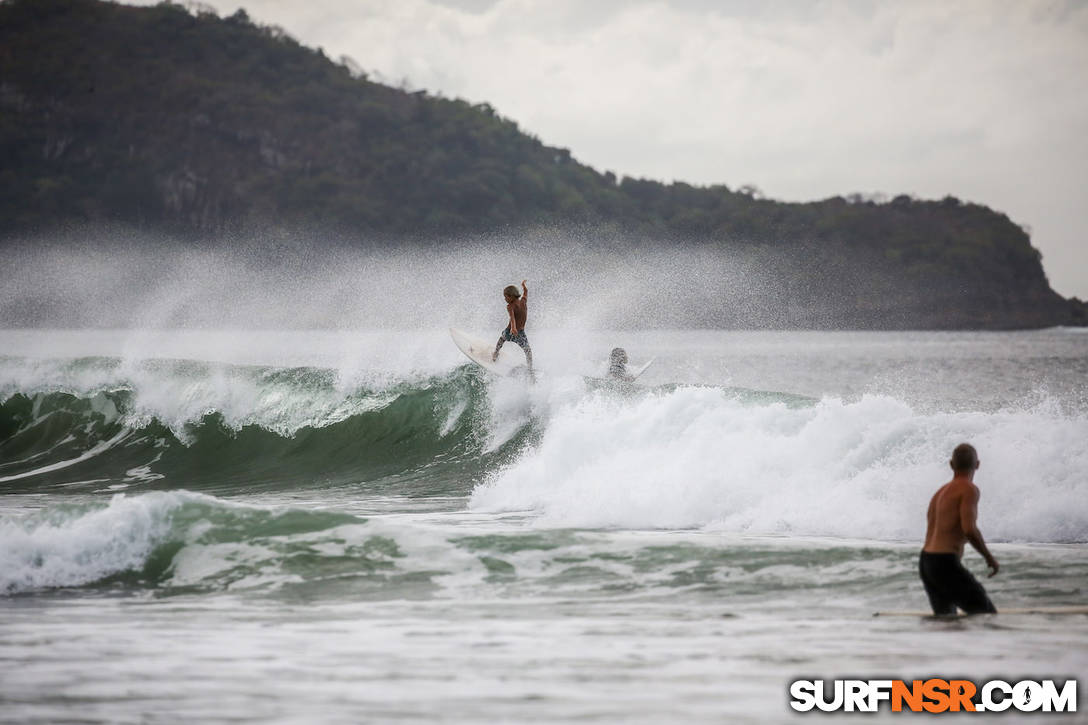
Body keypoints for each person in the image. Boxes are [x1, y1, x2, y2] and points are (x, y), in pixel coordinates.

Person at [919, 443, 999, 616]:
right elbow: (969, 530)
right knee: (986, 616)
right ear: (977, 464)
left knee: (945, 621)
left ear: (951, 464)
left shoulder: (940, 492)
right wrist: (989, 557)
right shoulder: (968, 489)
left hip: (926, 561)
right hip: (944, 563)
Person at [492, 279, 533, 377]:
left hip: (513, 331)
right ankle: (530, 369)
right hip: (519, 332)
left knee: (502, 340)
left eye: (505, 297)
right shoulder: (523, 301)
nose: (504, 299)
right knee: (527, 351)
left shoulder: (510, 306)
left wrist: (513, 328)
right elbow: (526, 293)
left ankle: (496, 353)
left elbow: (512, 318)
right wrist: (524, 287)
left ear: (511, 296)